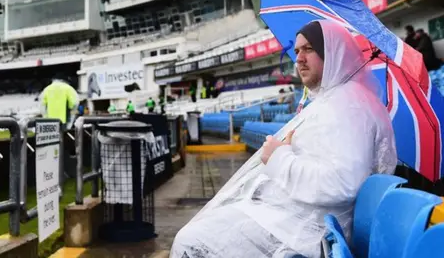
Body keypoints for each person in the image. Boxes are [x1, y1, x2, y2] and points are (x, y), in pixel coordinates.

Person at [170, 20, 397, 258]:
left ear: (331, 53)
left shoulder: (348, 106)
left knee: (190, 242)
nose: (298, 58)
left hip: (310, 231)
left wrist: (279, 156)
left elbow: (342, 183)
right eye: (297, 50)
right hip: (298, 219)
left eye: (309, 49)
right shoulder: (342, 100)